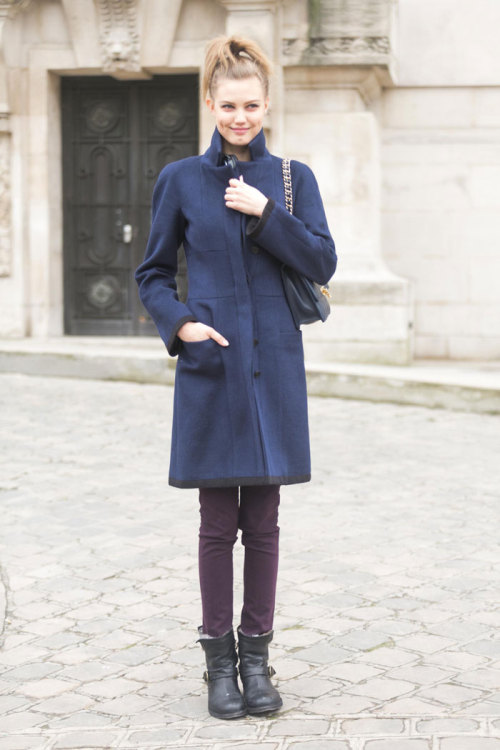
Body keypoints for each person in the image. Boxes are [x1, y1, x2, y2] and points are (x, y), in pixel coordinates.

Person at [135, 35, 337, 720]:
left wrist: (266, 214)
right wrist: (183, 325)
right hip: (212, 368)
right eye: (229, 105)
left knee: (268, 520)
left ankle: (258, 657)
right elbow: (153, 274)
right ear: (210, 103)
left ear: (267, 103)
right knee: (218, 521)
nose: (240, 116)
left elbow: (322, 262)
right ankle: (218, 663)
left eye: (251, 104)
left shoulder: (291, 179)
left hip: (274, 366)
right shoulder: (181, 181)